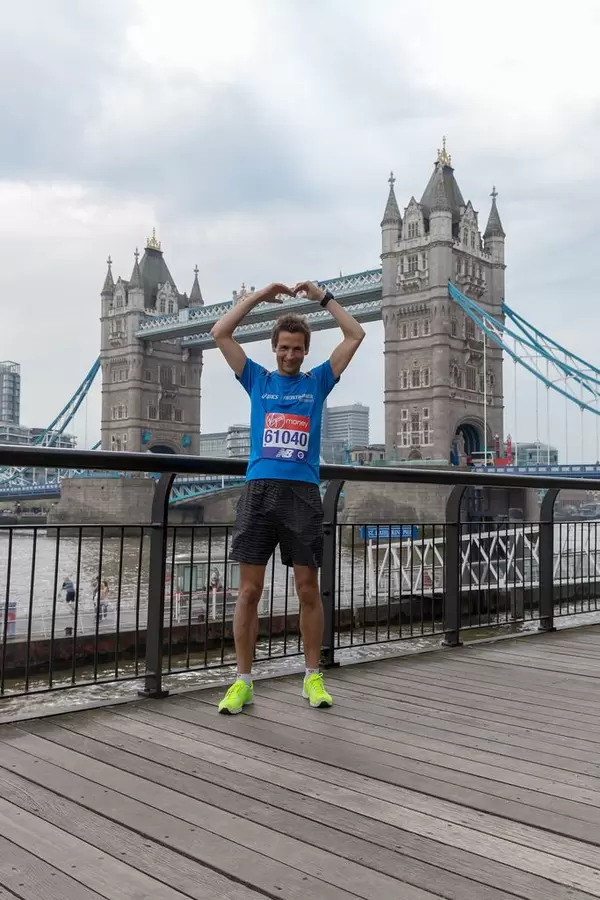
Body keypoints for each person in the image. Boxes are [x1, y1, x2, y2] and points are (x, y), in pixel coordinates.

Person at [211, 279, 365, 714]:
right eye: (283, 348)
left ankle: (312, 676)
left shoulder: (318, 382)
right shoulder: (256, 379)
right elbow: (220, 333)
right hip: (259, 491)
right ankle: (243, 682)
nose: (290, 355)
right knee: (248, 592)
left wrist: (323, 298)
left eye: (297, 349)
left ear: (306, 351)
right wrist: (259, 298)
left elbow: (355, 334)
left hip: (302, 494)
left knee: (307, 589)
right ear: (273, 348)